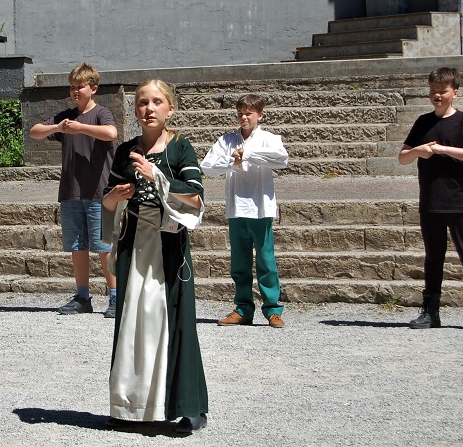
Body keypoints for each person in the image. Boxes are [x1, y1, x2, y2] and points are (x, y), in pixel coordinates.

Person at [101, 78, 208, 434]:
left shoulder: (180, 148)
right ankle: (130, 406)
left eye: (157, 102)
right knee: (134, 322)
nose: (149, 108)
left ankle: (188, 406)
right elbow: (106, 201)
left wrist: (157, 176)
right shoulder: (125, 151)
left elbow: (194, 197)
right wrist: (117, 194)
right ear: (135, 110)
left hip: (168, 247)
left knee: (173, 323)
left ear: (170, 109)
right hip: (134, 244)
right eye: (143, 102)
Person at [29, 63, 119, 316]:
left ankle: (115, 297)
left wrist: (81, 128)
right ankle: (82, 297)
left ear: (94, 88)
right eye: (72, 87)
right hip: (71, 192)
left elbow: (111, 133)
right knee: (78, 246)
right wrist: (58, 128)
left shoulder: (101, 113)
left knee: (104, 248)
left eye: (80, 87)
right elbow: (34, 131)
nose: (75, 91)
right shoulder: (65, 117)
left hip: (99, 193)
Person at [200, 94, 289, 328]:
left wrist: (249, 155)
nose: (243, 117)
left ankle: (272, 309)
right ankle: (243, 308)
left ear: (260, 115)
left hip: (261, 207)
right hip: (237, 207)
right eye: (240, 113)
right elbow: (207, 167)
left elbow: (282, 160)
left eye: (249, 113)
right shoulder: (227, 140)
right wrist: (233, 162)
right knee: (239, 262)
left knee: (266, 260)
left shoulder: (269, 139)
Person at [399, 67, 463, 328]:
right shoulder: (423, 122)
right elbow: (403, 157)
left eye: (442, 91)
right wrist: (419, 150)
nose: (437, 96)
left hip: (460, 201)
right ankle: (430, 312)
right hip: (431, 200)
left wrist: (443, 149)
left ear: (454, 92)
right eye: (433, 91)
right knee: (433, 257)